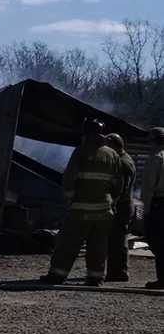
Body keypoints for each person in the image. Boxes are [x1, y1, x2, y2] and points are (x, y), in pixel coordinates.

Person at [40, 118, 122, 286]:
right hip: (104, 210)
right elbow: (118, 183)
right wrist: (111, 201)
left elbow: (69, 177)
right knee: (98, 245)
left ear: (86, 133)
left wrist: (69, 198)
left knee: (68, 242)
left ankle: (57, 275)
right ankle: (95, 277)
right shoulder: (112, 154)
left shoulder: (81, 151)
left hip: (80, 209)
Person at [104, 133, 136, 282]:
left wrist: (112, 204)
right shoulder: (123, 159)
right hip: (123, 204)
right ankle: (116, 271)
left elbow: (121, 188)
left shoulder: (122, 162)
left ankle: (118, 272)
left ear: (114, 145)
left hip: (121, 205)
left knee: (117, 240)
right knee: (116, 239)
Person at [141, 127, 164, 289]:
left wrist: (145, 210)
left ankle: (162, 279)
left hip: (159, 205)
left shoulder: (155, 158)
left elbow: (149, 187)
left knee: (157, 242)